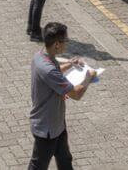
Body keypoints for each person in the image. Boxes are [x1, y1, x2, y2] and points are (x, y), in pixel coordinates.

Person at [29, 22, 95, 170]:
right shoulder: (48, 69)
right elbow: (76, 94)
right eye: (66, 40)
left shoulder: (41, 56)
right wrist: (88, 78)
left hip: (57, 123)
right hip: (47, 129)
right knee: (38, 166)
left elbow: (55, 71)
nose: (67, 43)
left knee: (65, 160)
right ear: (57, 44)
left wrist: (71, 63)